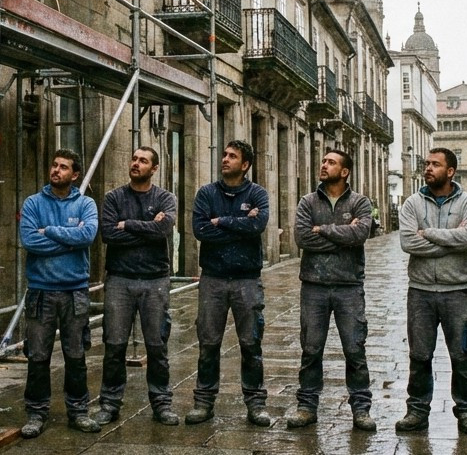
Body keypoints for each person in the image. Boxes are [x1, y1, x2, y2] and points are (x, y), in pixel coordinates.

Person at [284, 149, 376, 431]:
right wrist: (341, 235)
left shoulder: (360, 202)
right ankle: (307, 406)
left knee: (354, 349)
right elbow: (302, 238)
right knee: (311, 349)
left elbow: (360, 234)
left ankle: (361, 409)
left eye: (331, 162)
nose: (323, 165)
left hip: (349, 286)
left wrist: (322, 230)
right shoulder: (308, 201)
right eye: (323, 160)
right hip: (314, 286)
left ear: (345, 171)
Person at [395, 148, 467, 438]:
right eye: (427, 164)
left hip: (457, 291)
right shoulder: (412, 203)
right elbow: (408, 242)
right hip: (420, 291)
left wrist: (429, 233)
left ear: (451, 171)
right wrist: (450, 242)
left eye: (435, 164)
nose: (428, 168)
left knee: (461, 354)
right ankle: (417, 411)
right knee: (420, 354)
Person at [185, 140, 271, 427]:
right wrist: (239, 224)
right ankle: (204, 402)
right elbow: (200, 231)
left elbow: (257, 227)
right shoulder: (207, 193)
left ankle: (256, 403)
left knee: (250, 343)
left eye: (232, 156)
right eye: (223, 154)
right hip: (213, 279)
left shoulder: (257, 193)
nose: (225, 159)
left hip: (247, 279)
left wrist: (219, 220)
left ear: (245, 165)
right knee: (208, 343)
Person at [92, 147, 179, 426]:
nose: (136, 163)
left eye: (143, 161)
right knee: (114, 345)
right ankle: (110, 403)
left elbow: (163, 231)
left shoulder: (165, 198)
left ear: (154, 168)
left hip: (155, 279)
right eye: (134, 159)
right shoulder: (114, 197)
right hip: (120, 279)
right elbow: (108, 235)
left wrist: (127, 224)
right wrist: (146, 229)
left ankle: (162, 403)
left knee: (156, 345)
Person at [19, 149, 101, 438]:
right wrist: (69, 239)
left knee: (76, 354)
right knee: (38, 355)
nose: (56, 170)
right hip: (41, 291)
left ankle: (79, 411)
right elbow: (30, 241)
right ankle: (36, 413)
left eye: (63, 167)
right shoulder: (33, 203)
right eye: (54, 165)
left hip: (74, 292)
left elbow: (88, 236)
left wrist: (49, 231)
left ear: (74, 174)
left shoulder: (86, 204)